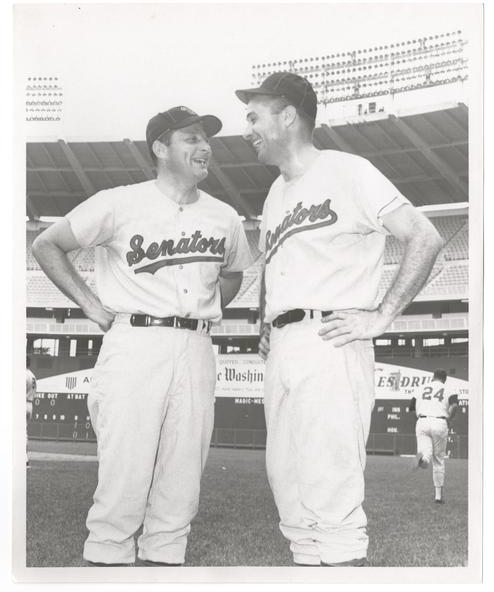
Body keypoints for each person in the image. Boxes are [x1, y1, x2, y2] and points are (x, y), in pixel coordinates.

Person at [235, 72, 444, 567]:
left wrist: (381, 316)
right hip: (285, 344)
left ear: (288, 115)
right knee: (289, 490)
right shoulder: (273, 195)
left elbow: (425, 236)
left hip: (332, 339)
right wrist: (265, 323)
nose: (248, 129)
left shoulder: (348, 171)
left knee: (331, 493)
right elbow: (272, 265)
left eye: (254, 116)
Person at [32, 106, 253, 566]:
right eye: (191, 138)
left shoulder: (224, 215)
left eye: (206, 139)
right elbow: (47, 243)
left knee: (183, 471)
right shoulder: (120, 201)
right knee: (124, 469)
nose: (204, 147)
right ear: (160, 147)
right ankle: (108, 560)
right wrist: (91, 304)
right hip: (135, 339)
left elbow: (233, 273)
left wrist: (205, 309)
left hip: (195, 344)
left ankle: (164, 561)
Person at [409, 369, 458, 504]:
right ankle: (438, 496)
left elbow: (412, 408)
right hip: (439, 421)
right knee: (438, 460)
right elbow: (454, 406)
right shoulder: (449, 388)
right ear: (444, 379)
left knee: (426, 455)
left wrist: (419, 421)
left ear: (433, 377)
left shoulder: (420, 388)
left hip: (422, 421)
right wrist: (449, 419)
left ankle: (422, 459)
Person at [26, 356, 36, 467]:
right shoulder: (32, 375)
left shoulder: (23, 374)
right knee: (23, 432)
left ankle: (24, 459)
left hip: (22, 404)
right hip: (30, 404)